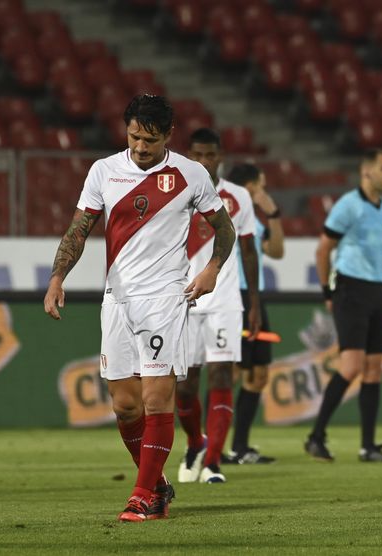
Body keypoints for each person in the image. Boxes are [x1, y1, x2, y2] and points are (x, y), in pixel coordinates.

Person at [43, 94, 235, 521]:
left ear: (168, 135)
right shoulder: (104, 171)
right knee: (125, 406)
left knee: (154, 398)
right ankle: (159, 485)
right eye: (134, 137)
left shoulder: (191, 173)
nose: (140, 147)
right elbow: (79, 229)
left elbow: (225, 229)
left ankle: (141, 494)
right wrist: (58, 278)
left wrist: (213, 269)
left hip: (166, 297)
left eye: (149, 139)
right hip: (117, 298)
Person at [175, 128, 261, 484]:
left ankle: (212, 462)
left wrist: (254, 302)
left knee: (223, 376)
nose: (204, 161)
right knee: (185, 386)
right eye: (197, 154)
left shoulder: (237, 197)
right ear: (189, 155)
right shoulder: (175, 191)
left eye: (210, 155)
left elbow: (248, 250)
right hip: (182, 298)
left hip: (225, 300)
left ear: (220, 156)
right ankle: (196, 442)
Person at [304, 148, 382, 463]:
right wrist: (327, 293)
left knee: (374, 370)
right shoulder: (348, 205)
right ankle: (316, 436)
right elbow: (323, 249)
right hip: (350, 289)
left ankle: (368, 446)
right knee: (352, 367)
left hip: (377, 290)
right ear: (366, 171)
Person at [222, 162, 284, 465]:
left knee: (258, 375)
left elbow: (277, 251)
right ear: (248, 187)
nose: (263, 190)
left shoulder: (255, 220)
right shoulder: (223, 212)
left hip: (255, 298)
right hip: (233, 296)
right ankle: (212, 446)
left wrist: (273, 214)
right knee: (229, 371)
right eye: (260, 185)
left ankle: (239, 447)